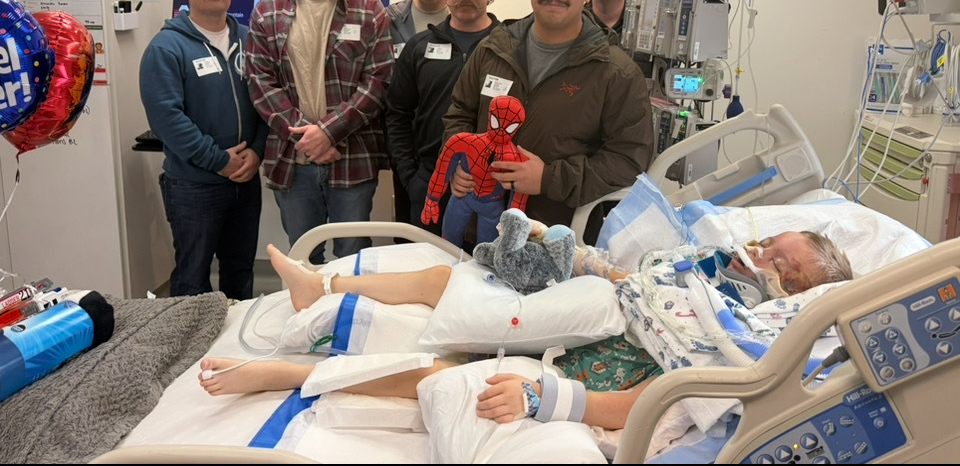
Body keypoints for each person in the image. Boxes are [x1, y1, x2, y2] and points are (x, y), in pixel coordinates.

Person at [198, 229, 852, 430]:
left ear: (797, 296)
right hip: (607, 308)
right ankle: (324, 286)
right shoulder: (699, 269)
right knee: (443, 279)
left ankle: (294, 374)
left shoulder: (751, 338)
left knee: (455, 374)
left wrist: (550, 401)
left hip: (624, 361)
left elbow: (657, 402)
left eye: (781, 264)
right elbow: (636, 279)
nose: (757, 256)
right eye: (766, 242)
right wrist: (573, 255)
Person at [443, 0, 655, 230]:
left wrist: (548, 179)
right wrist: (460, 162)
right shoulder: (494, 49)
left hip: (558, 239)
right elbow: (459, 113)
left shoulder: (615, 72)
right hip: (480, 227)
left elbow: (628, 159)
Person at [245, 0, 393, 262]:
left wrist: (327, 132)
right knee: (301, 261)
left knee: (353, 258)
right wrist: (306, 136)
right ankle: (308, 320)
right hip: (293, 160)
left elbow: (378, 82)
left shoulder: (369, 9)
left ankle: (347, 320)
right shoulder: (268, 10)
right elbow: (260, 82)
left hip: (352, 158)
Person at [139, 0, 267, 299]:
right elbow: (167, 119)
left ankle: (233, 347)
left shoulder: (251, 40)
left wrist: (257, 152)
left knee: (240, 271)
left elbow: (267, 101)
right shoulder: (166, 48)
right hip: (194, 186)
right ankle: (191, 350)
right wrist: (219, 161)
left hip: (245, 180)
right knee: (193, 277)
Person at [385, 0, 500, 235]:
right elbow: (397, 114)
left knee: (484, 274)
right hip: (429, 183)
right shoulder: (419, 47)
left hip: (491, 187)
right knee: (429, 271)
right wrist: (411, 178)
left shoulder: (508, 49)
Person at [385, 0, 450, 225]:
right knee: (410, 234)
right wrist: (407, 171)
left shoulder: (465, 17)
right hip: (408, 155)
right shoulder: (389, 20)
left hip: (455, 152)